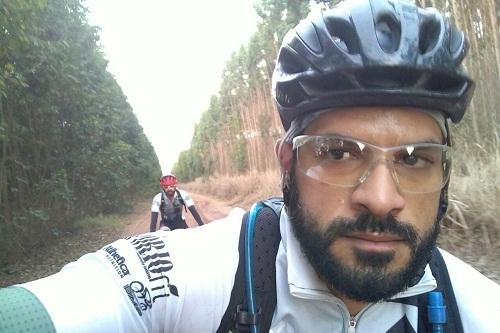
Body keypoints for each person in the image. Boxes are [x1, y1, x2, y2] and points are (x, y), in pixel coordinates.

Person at [1, 1, 499, 332]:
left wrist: (194, 217)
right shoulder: (206, 273)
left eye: (416, 159)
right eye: (338, 152)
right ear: (288, 162)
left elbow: (194, 214)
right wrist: (178, 235)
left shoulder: (473, 306)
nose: (383, 197)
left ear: (446, 174)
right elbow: (111, 283)